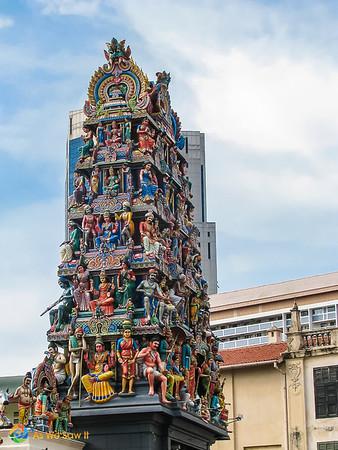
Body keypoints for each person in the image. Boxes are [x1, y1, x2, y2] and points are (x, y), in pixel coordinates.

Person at [81, 336, 116, 403]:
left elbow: (112, 365)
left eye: (100, 346)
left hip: (103, 372)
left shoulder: (106, 353)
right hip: (95, 372)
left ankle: (96, 379)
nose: (98, 348)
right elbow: (92, 367)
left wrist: (111, 359)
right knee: (84, 378)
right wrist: (87, 361)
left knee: (111, 373)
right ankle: (90, 394)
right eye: (97, 347)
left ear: (103, 347)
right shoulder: (95, 355)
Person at [137, 337, 171, 404]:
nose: (156, 345)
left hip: (154, 370)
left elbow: (159, 363)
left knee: (164, 378)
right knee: (150, 370)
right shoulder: (145, 349)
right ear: (150, 343)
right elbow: (138, 356)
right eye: (155, 343)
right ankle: (151, 387)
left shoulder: (156, 353)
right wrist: (146, 354)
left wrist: (163, 370)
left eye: (158, 344)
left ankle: (164, 398)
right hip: (146, 369)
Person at [116, 325, 139, 395]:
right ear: (123, 333)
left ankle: (130, 390)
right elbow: (117, 351)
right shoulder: (120, 340)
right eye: (125, 332)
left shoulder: (132, 340)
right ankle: (123, 390)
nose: (127, 333)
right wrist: (119, 358)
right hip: (124, 359)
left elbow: (137, 350)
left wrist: (134, 359)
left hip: (131, 359)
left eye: (129, 332)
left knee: (132, 374)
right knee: (124, 373)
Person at [67, 328, 87, 399]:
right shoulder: (72, 339)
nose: (79, 336)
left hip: (78, 358)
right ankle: (74, 391)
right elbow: (70, 349)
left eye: (80, 335)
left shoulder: (81, 339)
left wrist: (83, 338)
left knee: (77, 374)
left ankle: (70, 388)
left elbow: (84, 348)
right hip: (72, 358)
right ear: (75, 333)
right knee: (72, 375)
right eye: (78, 334)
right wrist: (79, 348)